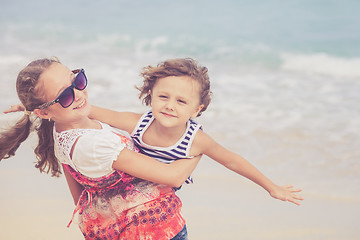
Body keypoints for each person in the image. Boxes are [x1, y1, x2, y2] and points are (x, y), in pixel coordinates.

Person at [0, 58, 202, 240]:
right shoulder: (94, 146)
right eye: (65, 96)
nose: (79, 94)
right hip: (156, 231)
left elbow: (79, 199)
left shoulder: (62, 129)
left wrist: (30, 108)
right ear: (44, 112)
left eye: (77, 81)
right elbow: (173, 176)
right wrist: (197, 143)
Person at [88, 58, 304, 205]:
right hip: (128, 199)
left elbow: (232, 161)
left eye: (181, 101)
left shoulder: (195, 140)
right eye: (163, 97)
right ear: (151, 95)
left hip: (162, 208)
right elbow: (97, 113)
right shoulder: (139, 122)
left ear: (197, 109)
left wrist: (271, 187)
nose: (170, 106)